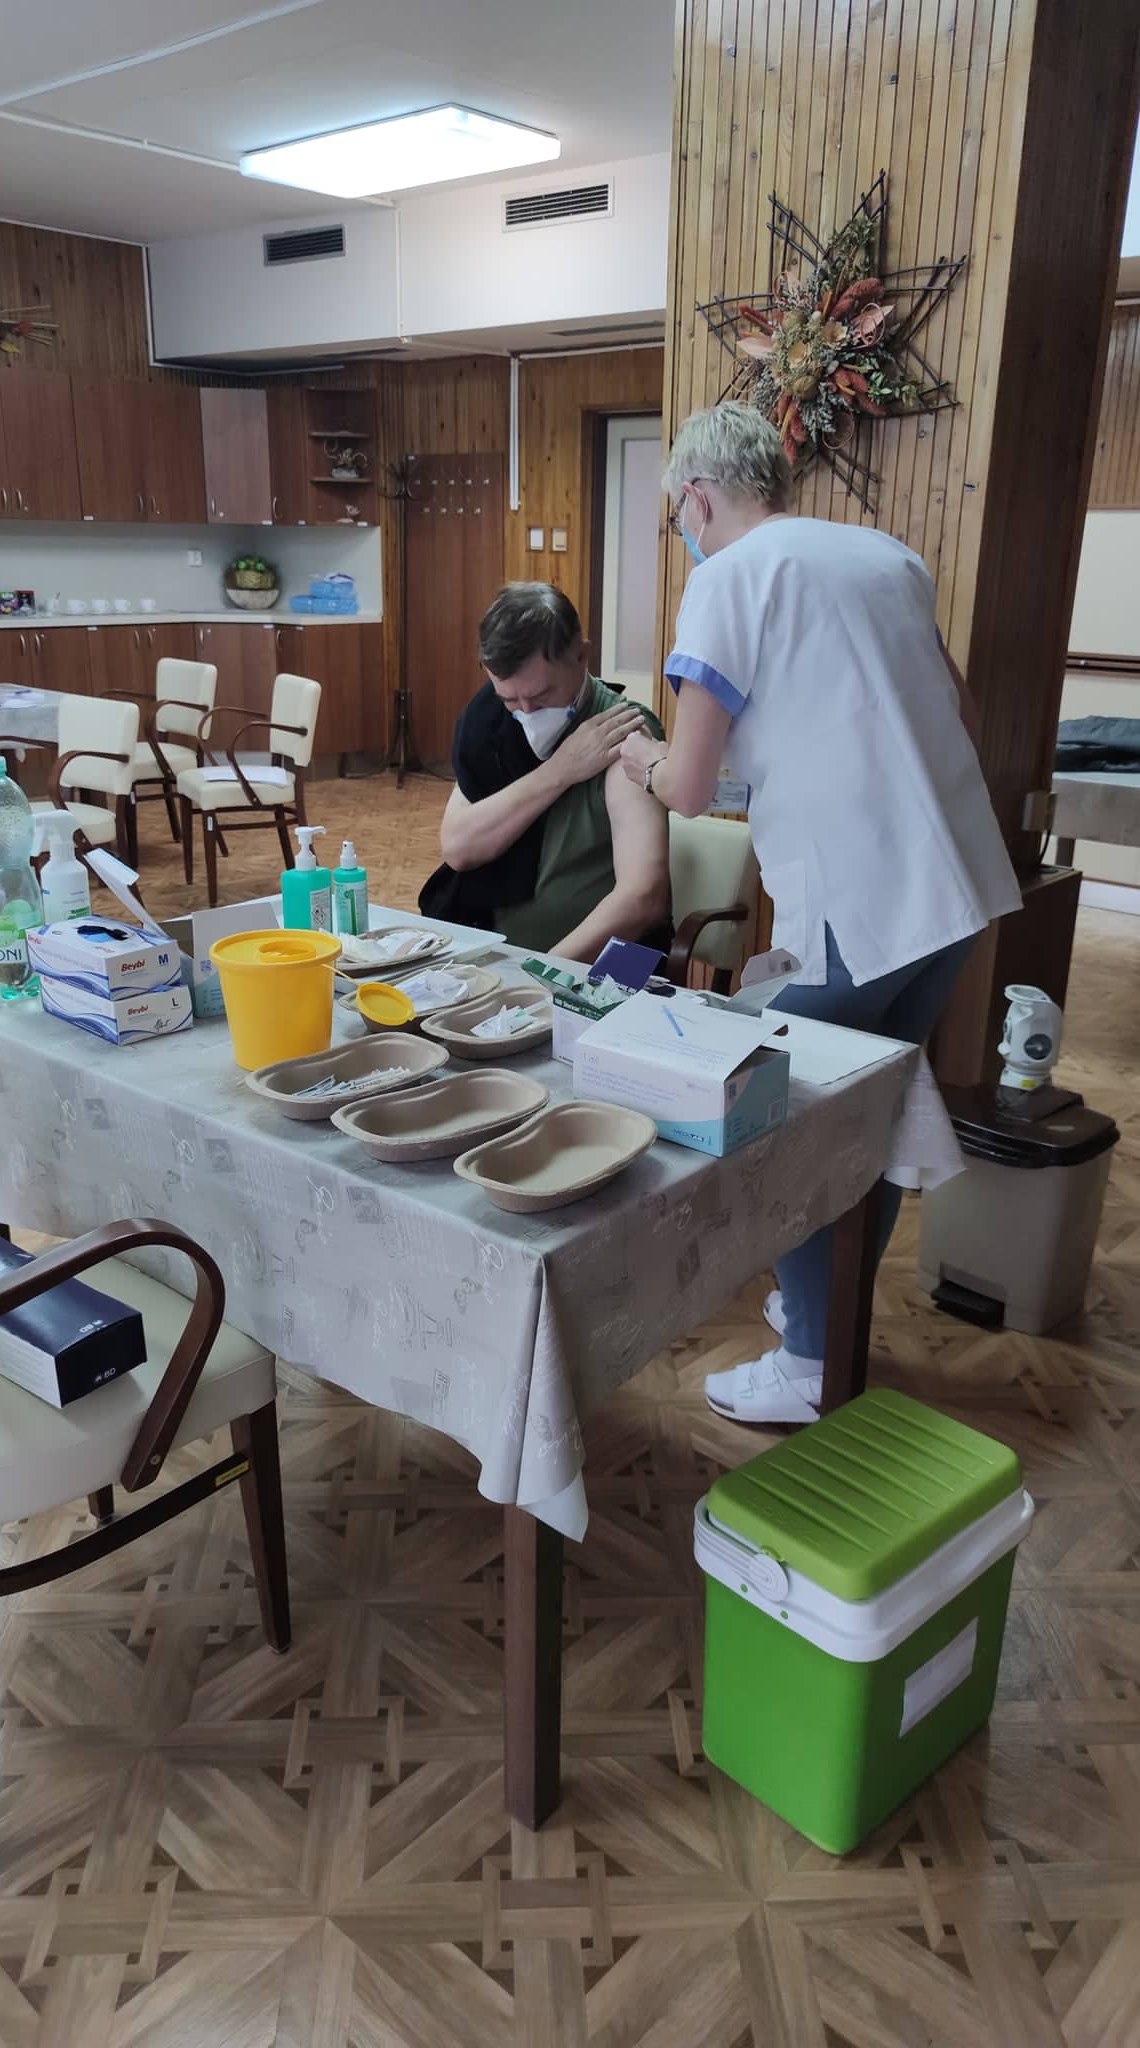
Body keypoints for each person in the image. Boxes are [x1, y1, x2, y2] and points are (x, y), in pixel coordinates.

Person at [620, 401, 1022, 1425]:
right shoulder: (887, 557)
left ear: (696, 498)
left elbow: (689, 785)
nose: (683, 528)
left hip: (860, 904)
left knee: (789, 1120)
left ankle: (809, 1361)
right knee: (870, 1111)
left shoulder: (725, 578)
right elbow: (956, 714)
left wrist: (641, 757)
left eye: (677, 514)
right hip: (952, 889)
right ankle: (827, 1319)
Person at [421, 583, 672, 959]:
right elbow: (459, 848)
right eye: (510, 699)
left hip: (606, 961)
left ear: (581, 656)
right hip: (503, 953)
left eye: (541, 696)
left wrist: (543, 973)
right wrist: (561, 770)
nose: (527, 712)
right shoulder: (489, 720)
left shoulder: (623, 733)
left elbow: (643, 898)